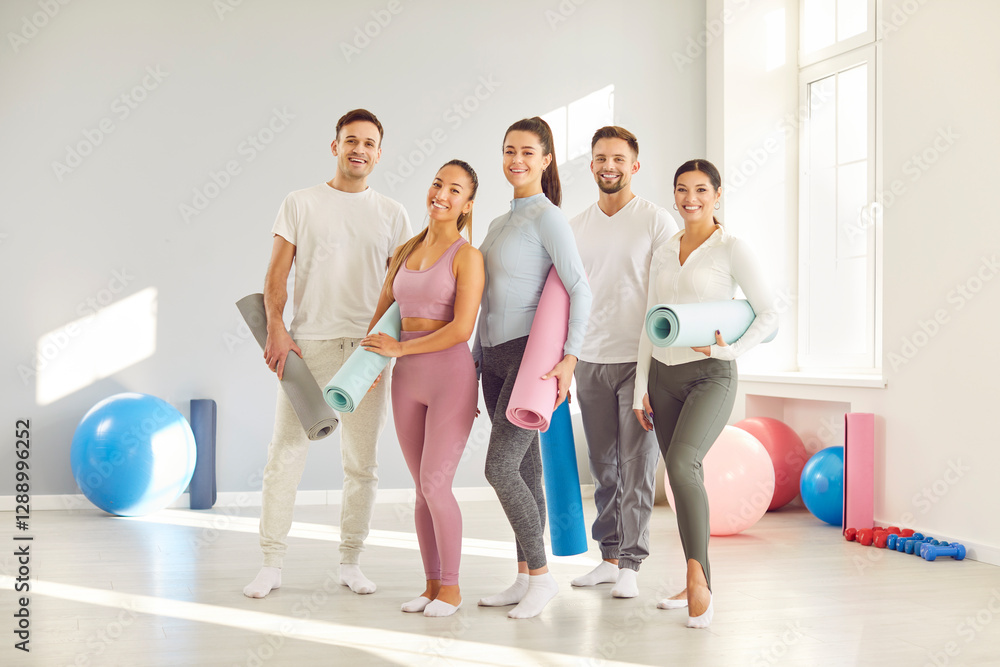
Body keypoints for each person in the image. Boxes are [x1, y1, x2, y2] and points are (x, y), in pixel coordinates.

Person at [243, 109, 412, 599]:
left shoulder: (393, 214)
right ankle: (271, 563)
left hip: (365, 351)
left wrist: (381, 354)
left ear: (379, 154)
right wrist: (277, 328)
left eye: (369, 143)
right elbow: (276, 274)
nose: (360, 149)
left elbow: (400, 291)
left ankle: (350, 562)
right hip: (308, 343)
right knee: (285, 455)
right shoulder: (300, 203)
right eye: (351, 140)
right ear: (335, 146)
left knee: (361, 463)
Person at [633, 159, 777, 628]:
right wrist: (640, 387)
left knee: (682, 464)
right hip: (663, 377)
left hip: (710, 375)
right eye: (681, 189)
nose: (690, 198)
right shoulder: (664, 249)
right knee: (679, 479)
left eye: (700, 189)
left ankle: (698, 582)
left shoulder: (732, 248)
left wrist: (731, 350)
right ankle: (696, 578)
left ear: (717, 194)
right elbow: (650, 320)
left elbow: (769, 313)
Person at [474, 117, 592, 619]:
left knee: (498, 468)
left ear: (545, 160)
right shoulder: (497, 224)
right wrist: (475, 360)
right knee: (525, 469)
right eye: (509, 151)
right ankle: (524, 576)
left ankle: (542, 578)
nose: (516, 160)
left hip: (530, 359)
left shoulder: (549, 218)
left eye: (527, 152)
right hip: (492, 359)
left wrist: (570, 357)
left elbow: (581, 287)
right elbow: (483, 298)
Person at [360, 160, 484, 618]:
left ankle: (452, 588)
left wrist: (400, 350)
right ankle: (431, 585)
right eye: (437, 184)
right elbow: (381, 316)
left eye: (455, 190)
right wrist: (367, 364)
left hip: (450, 378)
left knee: (436, 483)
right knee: (420, 489)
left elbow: (461, 329)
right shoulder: (404, 250)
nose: (441, 194)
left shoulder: (468, 257)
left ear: (467, 204)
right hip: (405, 380)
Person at [567, 126, 677, 598]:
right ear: (591, 165)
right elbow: (566, 296)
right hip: (590, 359)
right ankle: (609, 558)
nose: (608, 166)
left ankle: (632, 563)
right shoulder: (575, 226)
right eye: (600, 158)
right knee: (603, 467)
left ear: (635, 165)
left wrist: (661, 366)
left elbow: (670, 292)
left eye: (618, 158)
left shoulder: (656, 221)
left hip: (640, 361)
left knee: (636, 465)